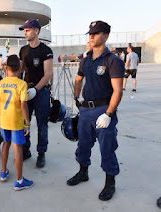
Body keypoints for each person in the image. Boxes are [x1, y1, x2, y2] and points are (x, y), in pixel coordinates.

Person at [69, 21, 124, 201]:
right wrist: (75, 99)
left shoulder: (112, 61)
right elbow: (78, 80)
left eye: (96, 33)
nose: (91, 36)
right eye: (90, 33)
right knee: (83, 145)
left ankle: (110, 183)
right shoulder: (85, 60)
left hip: (103, 110)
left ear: (106, 36)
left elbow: (118, 90)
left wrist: (108, 114)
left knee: (107, 147)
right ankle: (83, 172)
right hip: (86, 110)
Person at [0, 54, 33, 190]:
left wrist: (1, 116)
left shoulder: (0, 83)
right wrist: (27, 122)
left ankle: (3, 172)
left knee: (6, 144)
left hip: (3, 121)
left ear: (6, 67)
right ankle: (19, 180)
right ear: (19, 68)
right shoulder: (22, 84)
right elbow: (23, 105)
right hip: (16, 122)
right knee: (18, 149)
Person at [19, 18, 53, 168]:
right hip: (25, 91)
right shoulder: (23, 50)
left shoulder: (46, 51)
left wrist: (36, 89)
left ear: (36, 31)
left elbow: (48, 74)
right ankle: (25, 150)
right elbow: (19, 71)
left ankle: (41, 153)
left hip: (41, 92)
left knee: (42, 124)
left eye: (27, 30)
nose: (25, 33)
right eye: (24, 30)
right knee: (24, 122)